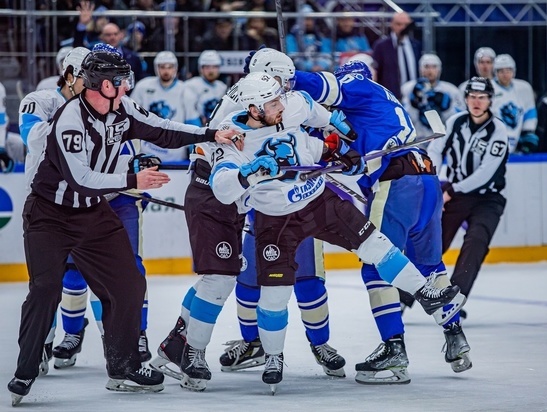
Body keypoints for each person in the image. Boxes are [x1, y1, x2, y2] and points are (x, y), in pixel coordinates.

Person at [7, 49, 241, 406]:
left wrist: (210, 134)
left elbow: (163, 130)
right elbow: (81, 178)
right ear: (104, 84)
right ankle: (24, 371)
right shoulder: (70, 119)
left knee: (130, 283)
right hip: (49, 216)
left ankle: (123, 367)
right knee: (45, 289)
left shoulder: (123, 108)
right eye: (122, 80)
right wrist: (134, 178)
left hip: (91, 213)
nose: (128, 85)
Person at [209, 71, 463, 391]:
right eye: (272, 101)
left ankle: (424, 293)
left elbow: (323, 117)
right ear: (255, 109)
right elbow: (222, 187)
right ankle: (273, 356)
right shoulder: (232, 135)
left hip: (319, 201)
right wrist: (247, 175)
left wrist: (341, 140)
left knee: (375, 243)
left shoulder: (293, 104)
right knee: (275, 293)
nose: (281, 104)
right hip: (276, 220)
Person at [149, 51, 353, 391]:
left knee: (229, 277)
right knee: (223, 277)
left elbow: (306, 111)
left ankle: (179, 342)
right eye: (280, 84)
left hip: (244, 195)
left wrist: (331, 126)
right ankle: (196, 347)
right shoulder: (241, 113)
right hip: (222, 193)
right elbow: (229, 175)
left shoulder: (262, 99)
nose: (285, 91)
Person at [290, 58, 471, 381]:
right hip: (427, 182)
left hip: (398, 185)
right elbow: (360, 158)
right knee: (430, 266)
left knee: (376, 263)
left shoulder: (358, 87)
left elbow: (321, 86)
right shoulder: (381, 106)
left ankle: (394, 349)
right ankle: (455, 336)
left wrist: (286, 76)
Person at [429, 76, 508, 318]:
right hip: (455, 195)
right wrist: (433, 183)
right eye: (472, 97)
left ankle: (454, 299)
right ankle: (403, 298)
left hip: (487, 199)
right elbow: (435, 150)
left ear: (490, 100)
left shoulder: (498, 130)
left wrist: (449, 191)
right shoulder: (455, 122)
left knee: (476, 242)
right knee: (433, 241)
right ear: (465, 99)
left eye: (482, 97)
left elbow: (486, 173)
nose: (476, 102)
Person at [132, 51, 202, 161]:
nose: (166, 71)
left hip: (176, 156)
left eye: (170, 67)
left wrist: (194, 152)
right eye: (162, 67)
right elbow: (132, 116)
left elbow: (192, 123)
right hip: (147, 153)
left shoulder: (185, 90)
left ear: (175, 69)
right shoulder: (143, 87)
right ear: (156, 68)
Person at [401, 53, 463, 142]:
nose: (430, 70)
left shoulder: (451, 90)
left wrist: (447, 108)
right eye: (426, 66)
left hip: (441, 139)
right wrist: (413, 104)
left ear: (439, 69)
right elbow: (403, 120)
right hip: (416, 139)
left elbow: (458, 121)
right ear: (420, 68)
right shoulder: (408, 88)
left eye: (434, 67)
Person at [491, 54, 538, 153]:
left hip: (517, 139)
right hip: (493, 139)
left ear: (514, 71)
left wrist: (527, 132)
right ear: (495, 72)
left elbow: (530, 112)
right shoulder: (488, 89)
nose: (505, 74)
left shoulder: (524, 88)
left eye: (508, 70)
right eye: (501, 71)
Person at [372, 11, 421, 100]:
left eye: (406, 25)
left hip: (414, 98)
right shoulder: (381, 46)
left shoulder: (416, 45)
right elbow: (375, 72)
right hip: (391, 97)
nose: (402, 28)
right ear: (392, 25)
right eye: (399, 24)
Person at [183, 50, 227, 126]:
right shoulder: (191, 85)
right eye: (207, 67)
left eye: (214, 67)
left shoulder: (222, 87)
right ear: (201, 68)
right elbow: (189, 112)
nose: (211, 71)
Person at [286, 4, 332, 72]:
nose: (308, 23)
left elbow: (327, 54)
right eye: (305, 19)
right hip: (300, 72)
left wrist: (322, 65)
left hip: (321, 70)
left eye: (310, 19)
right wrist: (309, 67)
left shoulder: (321, 36)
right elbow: (292, 56)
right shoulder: (291, 38)